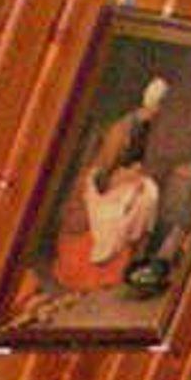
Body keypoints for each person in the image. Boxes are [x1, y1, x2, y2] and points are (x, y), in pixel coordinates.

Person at [51, 76, 167, 292]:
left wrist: (134, 177)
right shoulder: (120, 131)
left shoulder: (144, 129)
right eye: (156, 106)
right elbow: (101, 176)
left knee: (148, 194)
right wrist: (121, 179)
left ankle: (128, 262)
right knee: (119, 210)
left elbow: (136, 165)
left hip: (121, 184)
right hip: (97, 193)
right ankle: (100, 266)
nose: (157, 112)